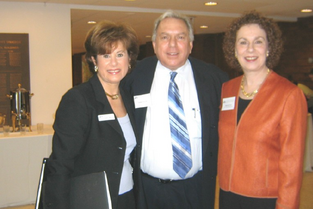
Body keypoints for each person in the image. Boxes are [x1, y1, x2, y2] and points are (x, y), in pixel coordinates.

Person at [122, 10, 228, 209]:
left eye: (180, 37)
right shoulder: (134, 76)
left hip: (196, 189)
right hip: (147, 191)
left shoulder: (214, 79)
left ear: (190, 45)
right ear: (154, 45)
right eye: (164, 37)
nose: (172, 44)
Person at [43, 20, 139, 209]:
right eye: (105, 55)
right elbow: (61, 163)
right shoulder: (78, 99)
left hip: (127, 196)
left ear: (129, 59)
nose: (114, 62)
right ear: (94, 60)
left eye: (120, 54)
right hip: (91, 199)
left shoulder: (128, 97)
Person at [218, 10, 307, 209]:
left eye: (258, 41)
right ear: (234, 50)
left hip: (264, 199)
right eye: (243, 42)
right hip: (227, 194)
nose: (250, 49)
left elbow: (292, 165)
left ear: (268, 48)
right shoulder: (228, 89)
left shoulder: (289, 95)